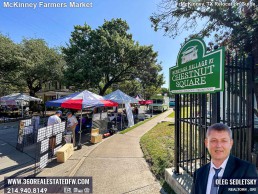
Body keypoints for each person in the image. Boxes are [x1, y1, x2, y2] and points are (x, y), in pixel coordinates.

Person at [191, 123, 258, 194]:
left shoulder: (246, 170)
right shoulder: (199, 174)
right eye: (214, 140)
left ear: (231, 143)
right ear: (206, 143)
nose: (219, 145)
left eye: (224, 141)